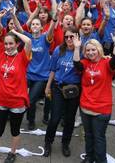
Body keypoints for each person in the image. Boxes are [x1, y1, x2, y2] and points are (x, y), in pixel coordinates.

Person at [0, 15, 32, 163]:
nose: (8, 46)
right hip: (1, 99)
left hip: (17, 101)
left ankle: (12, 153)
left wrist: (14, 32)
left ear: (16, 44)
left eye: (11, 43)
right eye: (6, 43)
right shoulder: (0, 53)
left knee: (14, 130)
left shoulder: (22, 57)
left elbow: (28, 41)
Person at [73, 30, 115, 163]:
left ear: (99, 50)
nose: (90, 53)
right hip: (85, 107)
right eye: (88, 50)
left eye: (93, 50)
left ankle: (101, 160)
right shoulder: (85, 63)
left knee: (99, 137)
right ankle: (89, 158)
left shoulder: (106, 63)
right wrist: (77, 48)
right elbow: (76, 64)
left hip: (101, 109)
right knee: (88, 136)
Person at [43, 27, 81, 158]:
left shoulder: (81, 51)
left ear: (77, 37)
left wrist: (77, 48)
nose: (69, 39)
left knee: (69, 120)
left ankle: (65, 144)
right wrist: (48, 86)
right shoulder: (59, 50)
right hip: (58, 88)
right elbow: (53, 69)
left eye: (72, 36)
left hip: (74, 90)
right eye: (67, 37)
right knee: (54, 118)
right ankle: (48, 142)